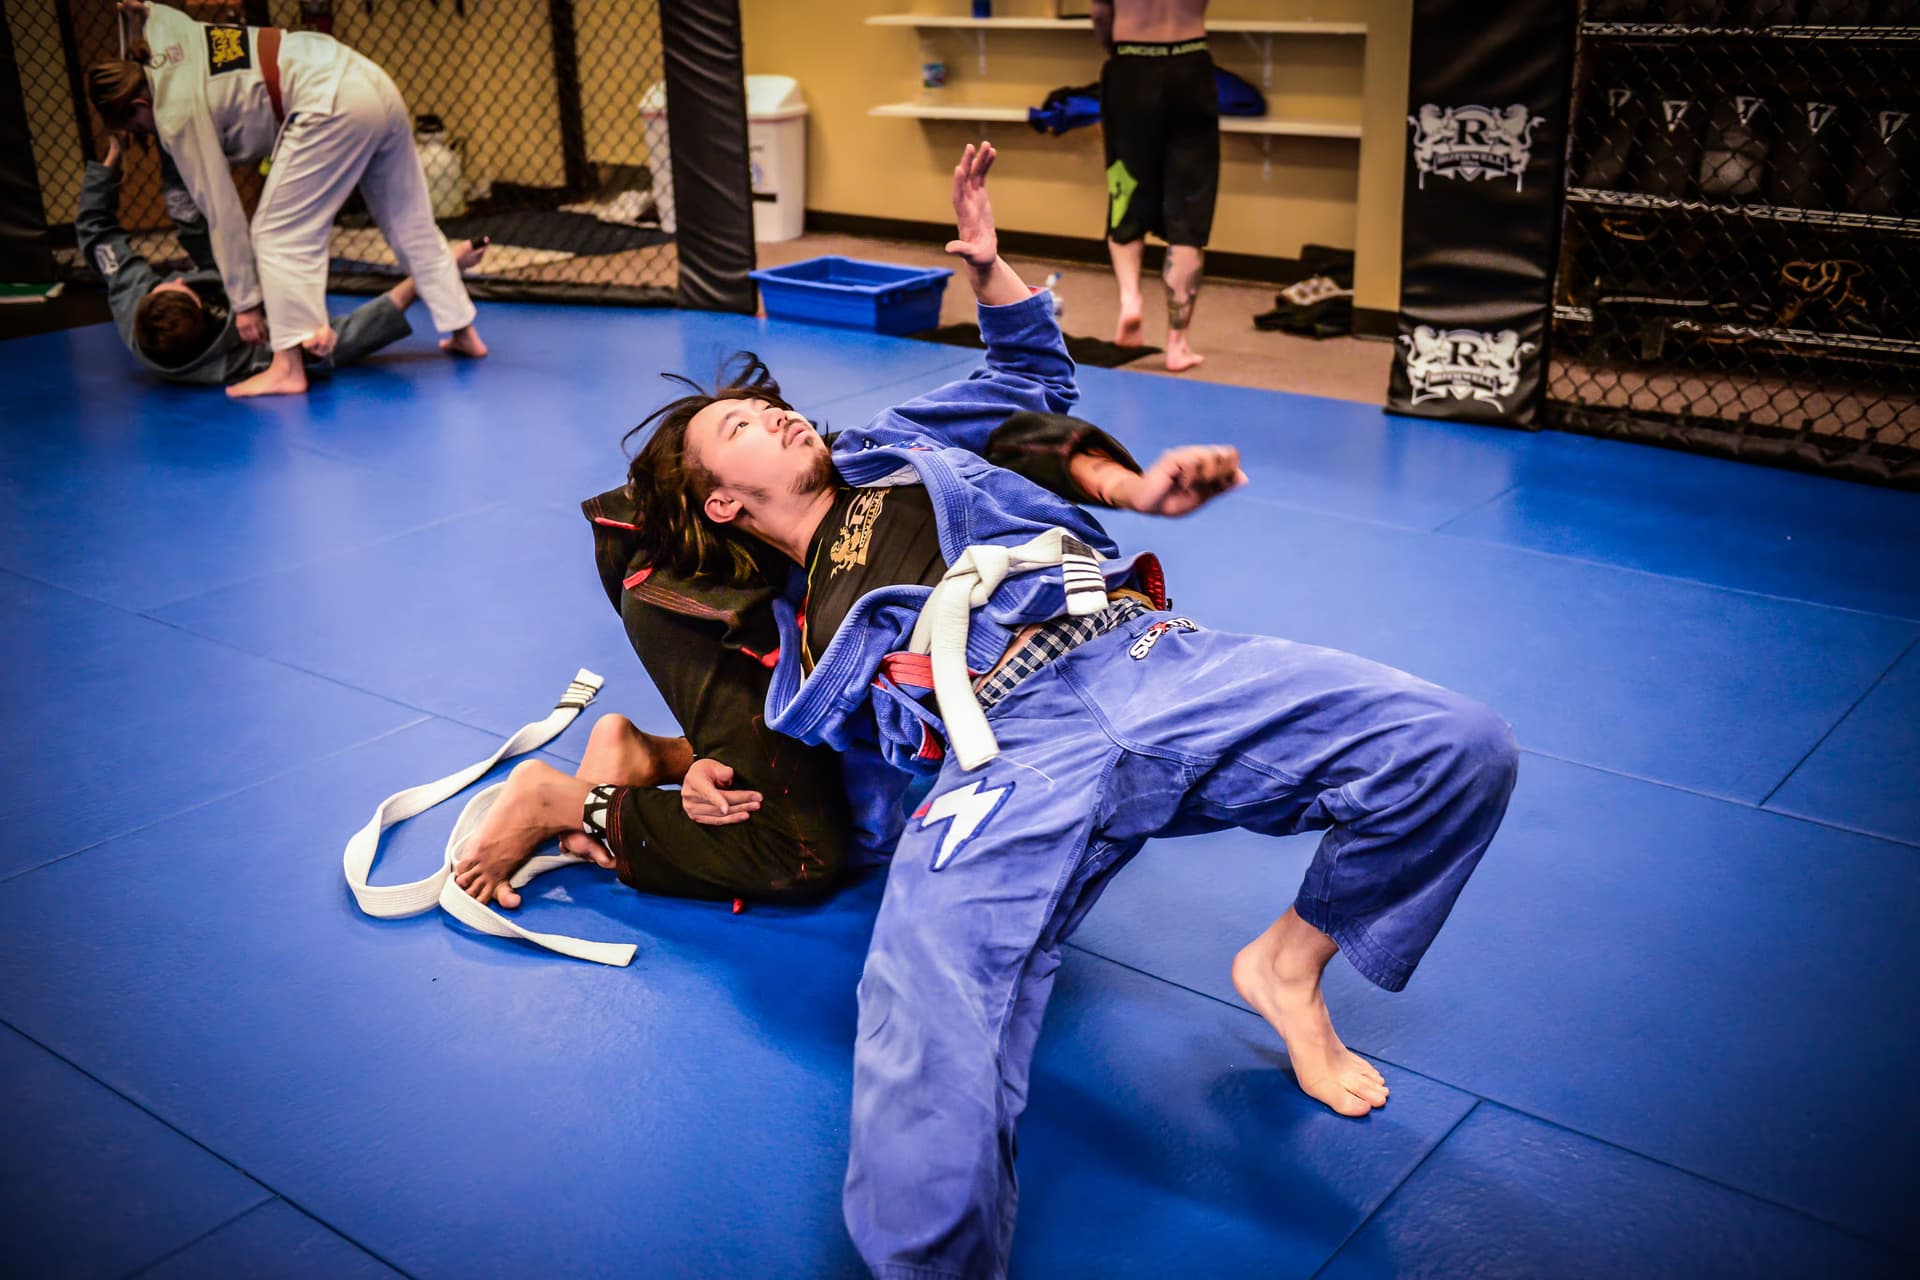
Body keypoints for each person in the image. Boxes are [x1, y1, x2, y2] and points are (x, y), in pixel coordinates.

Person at [628, 142, 1518, 1280]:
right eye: (743, 428)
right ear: (723, 497)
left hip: (1142, 655)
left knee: (1454, 744)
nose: (779, 418)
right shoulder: (802, 636)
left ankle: (1287, 966)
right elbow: (783, 768)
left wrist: (990, 266)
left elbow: (1035, 389)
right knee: (919, 1001)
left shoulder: (899, 448)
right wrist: (694, 767)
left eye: (772, 405)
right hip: (1003, 757)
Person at [86, 1, 485, 399]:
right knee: (408, 220)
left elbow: (222, 214)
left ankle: (287, 367)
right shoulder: (164, 35)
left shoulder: (175, 115)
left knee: (275, 234)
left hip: (327, 102)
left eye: (139, 127)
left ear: (140, 105)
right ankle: (462, 328)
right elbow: (152, 18)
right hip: (365, 77)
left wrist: (244, 304)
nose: (148, 136)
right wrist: (140, 11)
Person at [74, 132, 485, 386]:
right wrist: (435, 269)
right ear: (206, 309)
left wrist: (110, 160)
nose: (178, 278)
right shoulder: (241, 359)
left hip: (215, 287)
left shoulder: (133, 306)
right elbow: (351, 338)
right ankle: (176, 148)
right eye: (181, 288)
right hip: (237, 293)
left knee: (188, 214)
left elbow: (96, 232)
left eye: (168, 282)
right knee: (312, 329)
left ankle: (169, 144)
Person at [1092, 0, 1217, 372]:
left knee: (1126, 187)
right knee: (1190, 200)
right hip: (1190, 60)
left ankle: (1131, 301)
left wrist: (1118, 48)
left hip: (1131, 61)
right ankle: (1177, 345)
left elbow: (1100, 14)